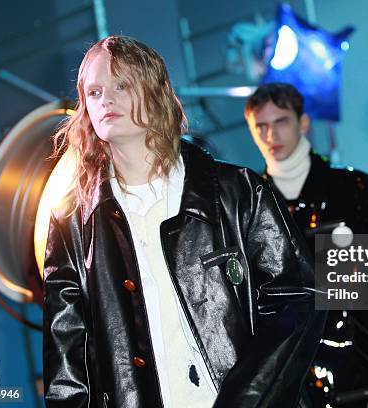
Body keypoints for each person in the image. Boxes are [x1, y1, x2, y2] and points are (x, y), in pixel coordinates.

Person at [42, 36, 325, 408]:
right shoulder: (71, 223)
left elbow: (296, 302)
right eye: (94, 92)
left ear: (156, 91)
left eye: (122, 85)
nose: (106, 99)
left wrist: (249, 398)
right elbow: (66, 357)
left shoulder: (238, 191)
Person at [245, 83, 368, 408]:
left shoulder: (355, 188)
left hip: (365, 364)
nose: (271, 134)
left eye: (281, 121)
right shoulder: (248, 204)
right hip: (293, 378)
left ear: (303, 123)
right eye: (261, 126)